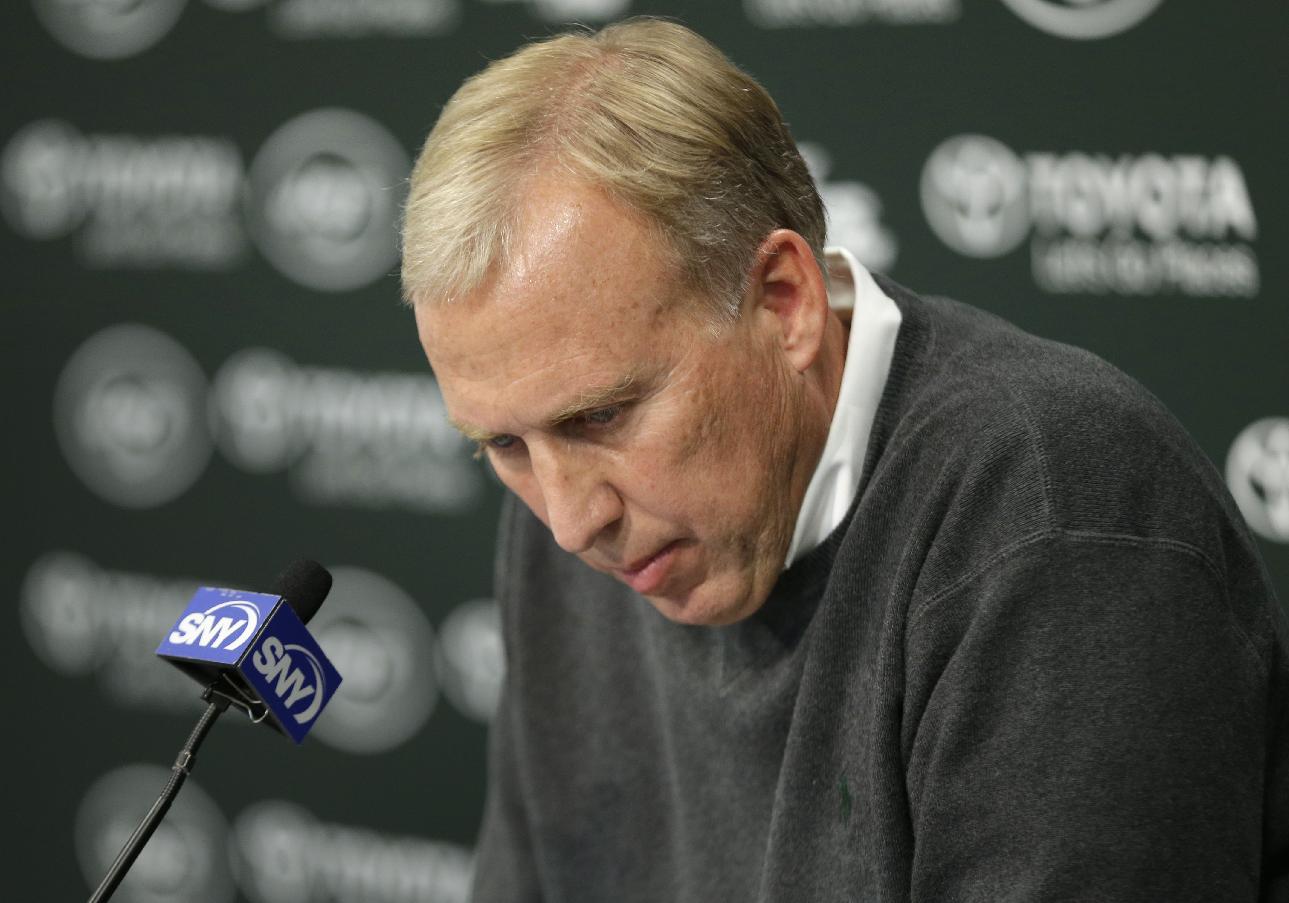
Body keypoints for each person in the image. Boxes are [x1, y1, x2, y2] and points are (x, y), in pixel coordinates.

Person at [400, 18, 1289, 903]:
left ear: (783, 302)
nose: (567, 520)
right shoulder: (577, 512)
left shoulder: (1058, 510)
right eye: (504, 445)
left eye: (602, 414)